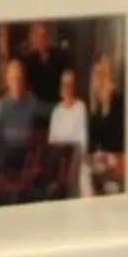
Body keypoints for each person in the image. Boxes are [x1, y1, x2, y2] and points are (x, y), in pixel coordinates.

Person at [0, 57, 47, 168]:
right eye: (13, 79)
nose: (17, 82)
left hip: (27, 159)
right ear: (8, 81)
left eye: (20, 78)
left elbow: (49, 111)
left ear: (24, 80)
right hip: (6, 161)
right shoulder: (1, 106)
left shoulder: (31, 101)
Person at [86, 55, 127, 195]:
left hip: (117, 162)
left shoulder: (118, 102)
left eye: (103, 74)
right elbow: (91, 143)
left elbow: (121, 139)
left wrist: (110, 156)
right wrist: (97, 154)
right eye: (96, 75)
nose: (99, 79)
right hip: (99, 165)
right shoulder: (94, 108)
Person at [48, 66, 90, 195]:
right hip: (60, 163)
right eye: (64, 85)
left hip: (77, 160)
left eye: (70, 85)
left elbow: (83, 141)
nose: (67, 88)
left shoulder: (80, 107)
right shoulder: (56, 111)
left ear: (74, 87)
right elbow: (52, 142)